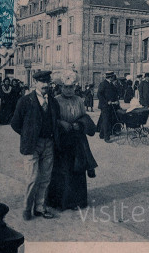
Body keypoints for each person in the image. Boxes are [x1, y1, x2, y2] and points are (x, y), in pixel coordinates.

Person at [11, 70, 59, 221]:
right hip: (32, 145)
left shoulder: (53, 101)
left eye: (47, 82)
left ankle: (40, 208)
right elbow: (15, 124)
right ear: (36, 83)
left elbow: (55, 121)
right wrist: (28, 136)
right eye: (42, 82)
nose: (45, 85)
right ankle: (27, 208)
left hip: (49, 143)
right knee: (32, 177)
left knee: (45, 177)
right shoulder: (25, 101)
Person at [46, 71, 98, 211]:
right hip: (62, 139)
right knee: (62, 169)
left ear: (75, 87)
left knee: (77, 169)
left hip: (77, 139)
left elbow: (84, 117)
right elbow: (51, 119)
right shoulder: (56, 100)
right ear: (61, 87)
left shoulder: (79, 100)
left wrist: (79, 124)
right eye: (66, 87)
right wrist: (61, 123)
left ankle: (77, 201)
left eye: (71, 87)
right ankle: (60, 202)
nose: (69, 90)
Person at [97, 71, 120, 143]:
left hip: (111, 105)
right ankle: (107, 138)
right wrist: (106, 102)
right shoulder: (103, 84)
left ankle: (101, 134)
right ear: (110, 77)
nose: (113, 78)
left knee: (106, 120)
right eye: (113, 76)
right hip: (105, 106)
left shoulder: (111, 84)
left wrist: (116, 101)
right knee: (106, 121)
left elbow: (114, 94)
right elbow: (99, 94)